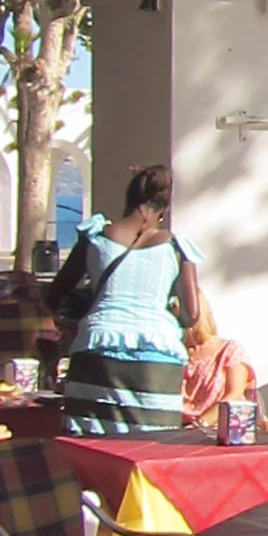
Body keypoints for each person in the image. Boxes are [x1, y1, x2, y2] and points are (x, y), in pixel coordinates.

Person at [48, 163, 201, 436]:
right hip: (156, 356)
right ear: (164, 209)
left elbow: (55, 294)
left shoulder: (95, 237)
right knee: (152, 445)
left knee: (90, 446)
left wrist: (86, 302)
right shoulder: (176, 248)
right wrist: (166, 307)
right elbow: (192, 315)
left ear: (128, 200)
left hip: (96, 349)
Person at [181, 291, 262, 428]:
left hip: (219, 431)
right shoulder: (175, 352)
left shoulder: (229, 350)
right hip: (175, 429)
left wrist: (200, 424)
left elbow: (235, 394)